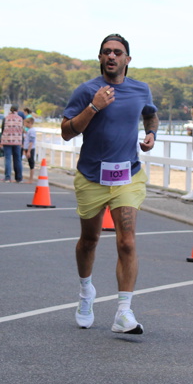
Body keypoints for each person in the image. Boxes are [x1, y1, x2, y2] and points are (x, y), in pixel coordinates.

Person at [61, 33, 157, 334]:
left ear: (128, 59)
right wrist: (93, 107)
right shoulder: (87, 90)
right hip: (92, 177)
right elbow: (66, 132)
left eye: (117, 52)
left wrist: (151, 134)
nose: (111, 56)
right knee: (89, 241)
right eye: (106, 52)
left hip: (128, 175)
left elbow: (150, 115)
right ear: (100, 58)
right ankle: (86, 292)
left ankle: (123, 313)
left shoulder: (141, 89)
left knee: (127, 241)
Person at [0, 105, 24, 183]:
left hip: (7, 140)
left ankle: (7, 177)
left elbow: (2, 130)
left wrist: (0, 141)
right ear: (17, 110)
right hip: (17, 140)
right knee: (18, 159)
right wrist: (22, 141)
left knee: (8, 159)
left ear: (10, 110)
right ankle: (19, 178)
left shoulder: (6, 118)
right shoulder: (20, 119)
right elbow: (21, 130)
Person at [23, 114, 37, 183]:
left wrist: (28, 151)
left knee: (31, 164)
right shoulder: (29, 130)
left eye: (26, 123)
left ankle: (31, 179)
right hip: (27, 148)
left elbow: (31, 142)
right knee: (29, 163)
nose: (25, 124)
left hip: (30, 149)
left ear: (30, 123)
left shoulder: (32, 131)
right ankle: (30, 178)